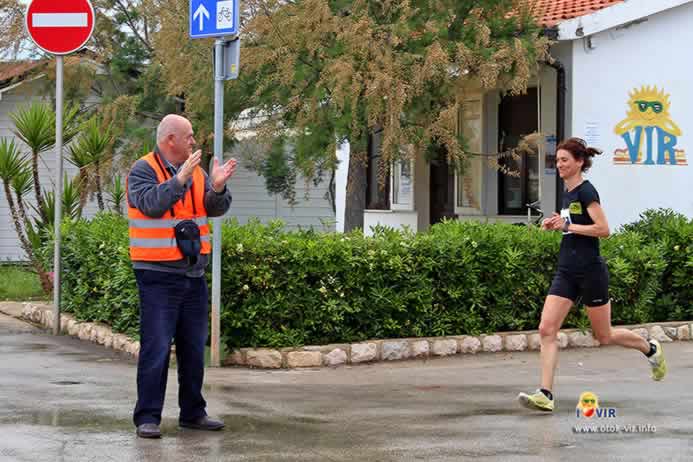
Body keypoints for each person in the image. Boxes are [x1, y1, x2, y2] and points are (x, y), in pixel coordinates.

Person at [517, 137, 667, 412]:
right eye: (557, 160)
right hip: (567, 270)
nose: (559, 164)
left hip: (590, 271)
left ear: (579, 162)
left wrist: (568, 226)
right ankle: (545, 394)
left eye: (564, 160)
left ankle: (650, 349)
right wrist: (558, 224)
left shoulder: (587, 191)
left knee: (604, 335)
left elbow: (603, 229)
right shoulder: (568, 192)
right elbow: (573, 223)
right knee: (546, 329)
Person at [127, 114, 236, 438]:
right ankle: (147, 417)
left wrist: (217, 186)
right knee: (156, 348)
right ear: (170, 139)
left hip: (193, 274)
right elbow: (150, 204)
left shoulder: (197, 172)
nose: (194, 141)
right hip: (157, 275)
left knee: (192, 348)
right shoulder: (142, 170)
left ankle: (193, 413)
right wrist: (178, 181)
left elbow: (213, 208)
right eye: (189, 136)